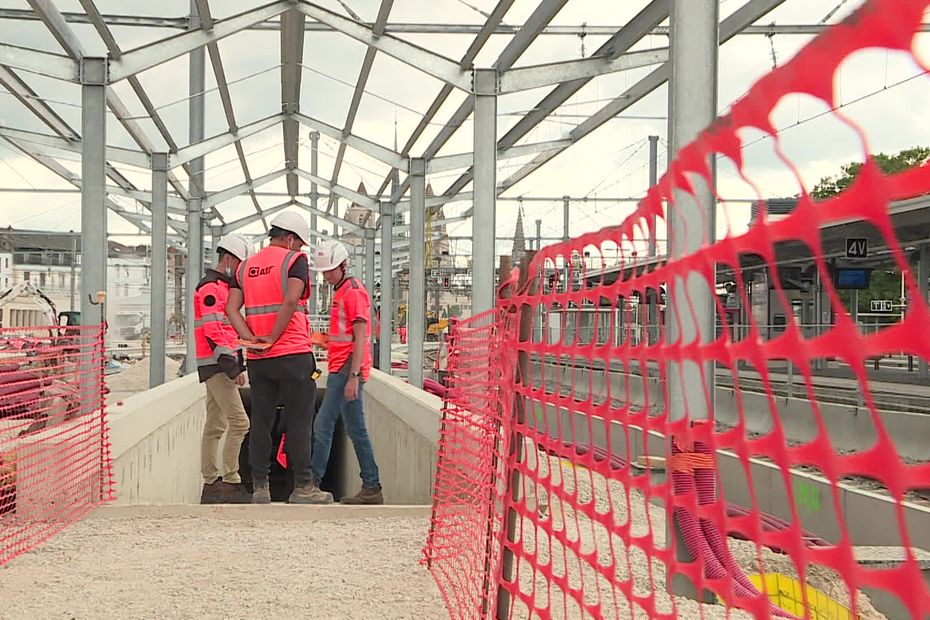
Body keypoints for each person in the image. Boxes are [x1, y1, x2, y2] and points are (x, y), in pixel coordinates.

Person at [225, 212, 332, 505]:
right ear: (289, 238)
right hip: (293, 353)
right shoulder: (293, 262)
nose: (300, 249)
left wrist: (251, 338)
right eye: (299, 244)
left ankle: (260, 487)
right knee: (299, 421)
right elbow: (290, 300)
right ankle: (303, 487)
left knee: (261, 420)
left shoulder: (245, 267)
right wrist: (272, 336)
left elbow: (231, 309)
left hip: (260, 358)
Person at [309, 240, 383, 504]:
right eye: (324, 271)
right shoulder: (342, 290)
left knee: (323, 425)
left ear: (343, 265)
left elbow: (361, 335)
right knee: (355, 428)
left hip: (346, 371)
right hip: (343, 367)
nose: (326, 275)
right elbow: (348, 335)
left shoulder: (352, 292)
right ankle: (371, 486)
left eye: (330, 270)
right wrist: (327, 340)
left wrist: (353, 377)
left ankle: (312, 484)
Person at [195, 234, 252, 504]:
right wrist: (233, 368)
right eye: (239, 263)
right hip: (217, 365)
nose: (240, 269)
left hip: (217, 363)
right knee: (240, 423)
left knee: (216, 425)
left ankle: (210, 486)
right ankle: (231, 482)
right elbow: (214, 331)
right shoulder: (210, 289)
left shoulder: (219, 287)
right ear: (228, 259)